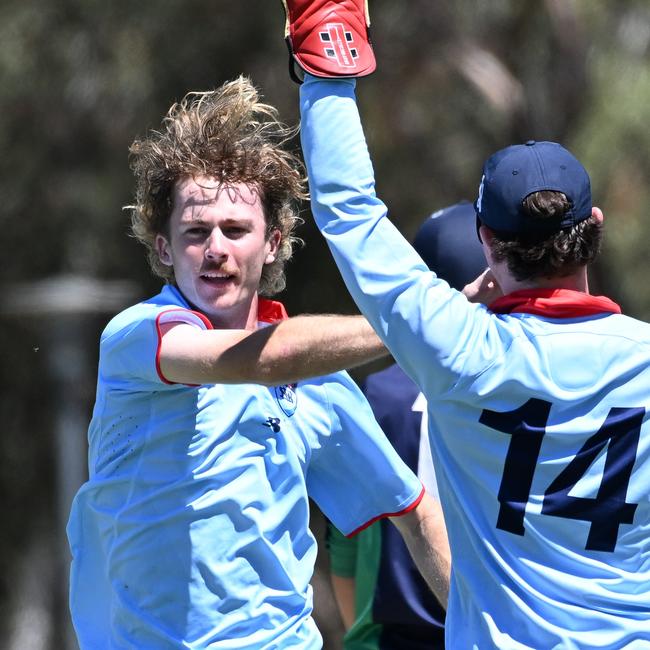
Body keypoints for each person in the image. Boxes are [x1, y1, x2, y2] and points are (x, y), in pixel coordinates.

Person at [283, 2, 650, 647]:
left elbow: (350, 213)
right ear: (594, 231)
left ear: (486, 240)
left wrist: (328, 67)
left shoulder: (460, 351)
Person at [65, 77, 450, 649]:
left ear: (272, 242)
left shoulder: (320, 385)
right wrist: (416, 327)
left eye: (236, 229)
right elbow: (257, 361)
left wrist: (489, 633)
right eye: (195, 232)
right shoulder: (136, 340)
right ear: (164, 247)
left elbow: (413, 512)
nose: (215, 247)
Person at [327, 201, 486, 650]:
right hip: (498, 635)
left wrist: (361, 633)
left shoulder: (376, 395)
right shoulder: (517, 386)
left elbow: (345, 543)